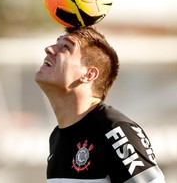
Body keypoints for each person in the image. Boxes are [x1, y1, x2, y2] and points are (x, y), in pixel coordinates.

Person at [35, 26, 165, 183]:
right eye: (56, 43)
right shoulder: (56, 137)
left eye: (66, 47)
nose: (49, 49)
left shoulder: (115, 130)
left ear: (88, 74)